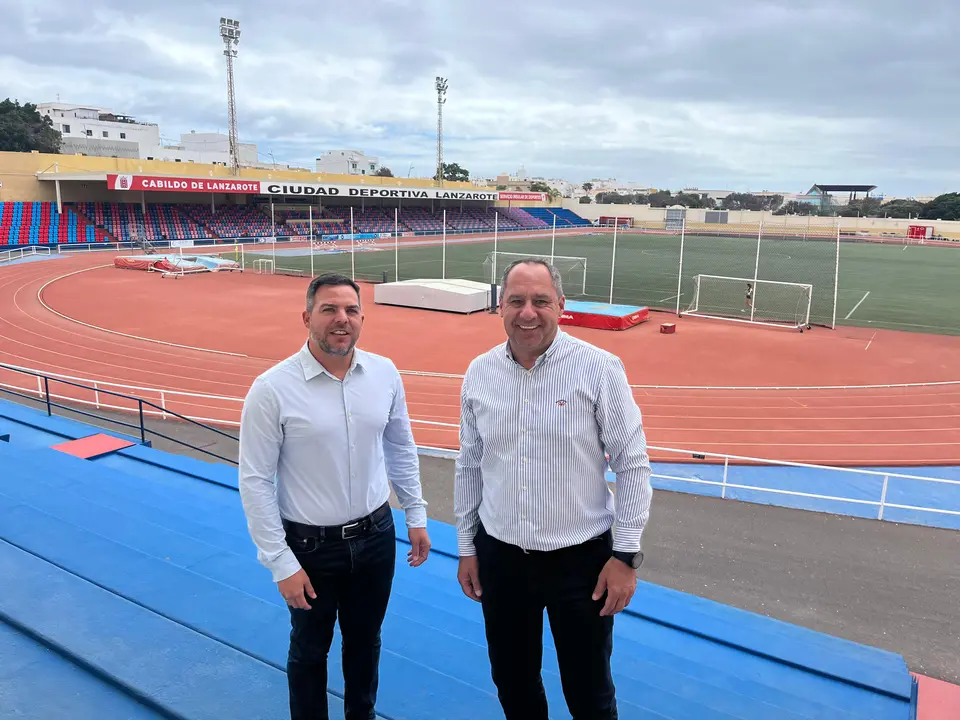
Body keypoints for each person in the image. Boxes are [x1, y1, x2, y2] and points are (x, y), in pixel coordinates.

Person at [454, 258, 653, 720]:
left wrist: (624, 557)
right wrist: (467, 547)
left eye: (540, 301)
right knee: (513, 682)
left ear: (560, 306)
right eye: (517, 301)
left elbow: (633, 464)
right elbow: (469, 466)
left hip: (580, 563)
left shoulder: (599, 368)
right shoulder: (479, 373)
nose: (528, 312)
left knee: (588, 690)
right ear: (500, 306)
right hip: (501, 558)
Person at [238, 272, 431, 720]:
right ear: (307, 317)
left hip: (376, 536)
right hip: (309, 548)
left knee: (365, 643)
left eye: (350, 310)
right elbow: (255, 480)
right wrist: (280, 562)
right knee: (309, 650)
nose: (340, 320)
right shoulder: (272, 389)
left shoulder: (384, 373)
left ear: (362, 318)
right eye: (328, 310)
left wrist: (416, 514)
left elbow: (400, 445)